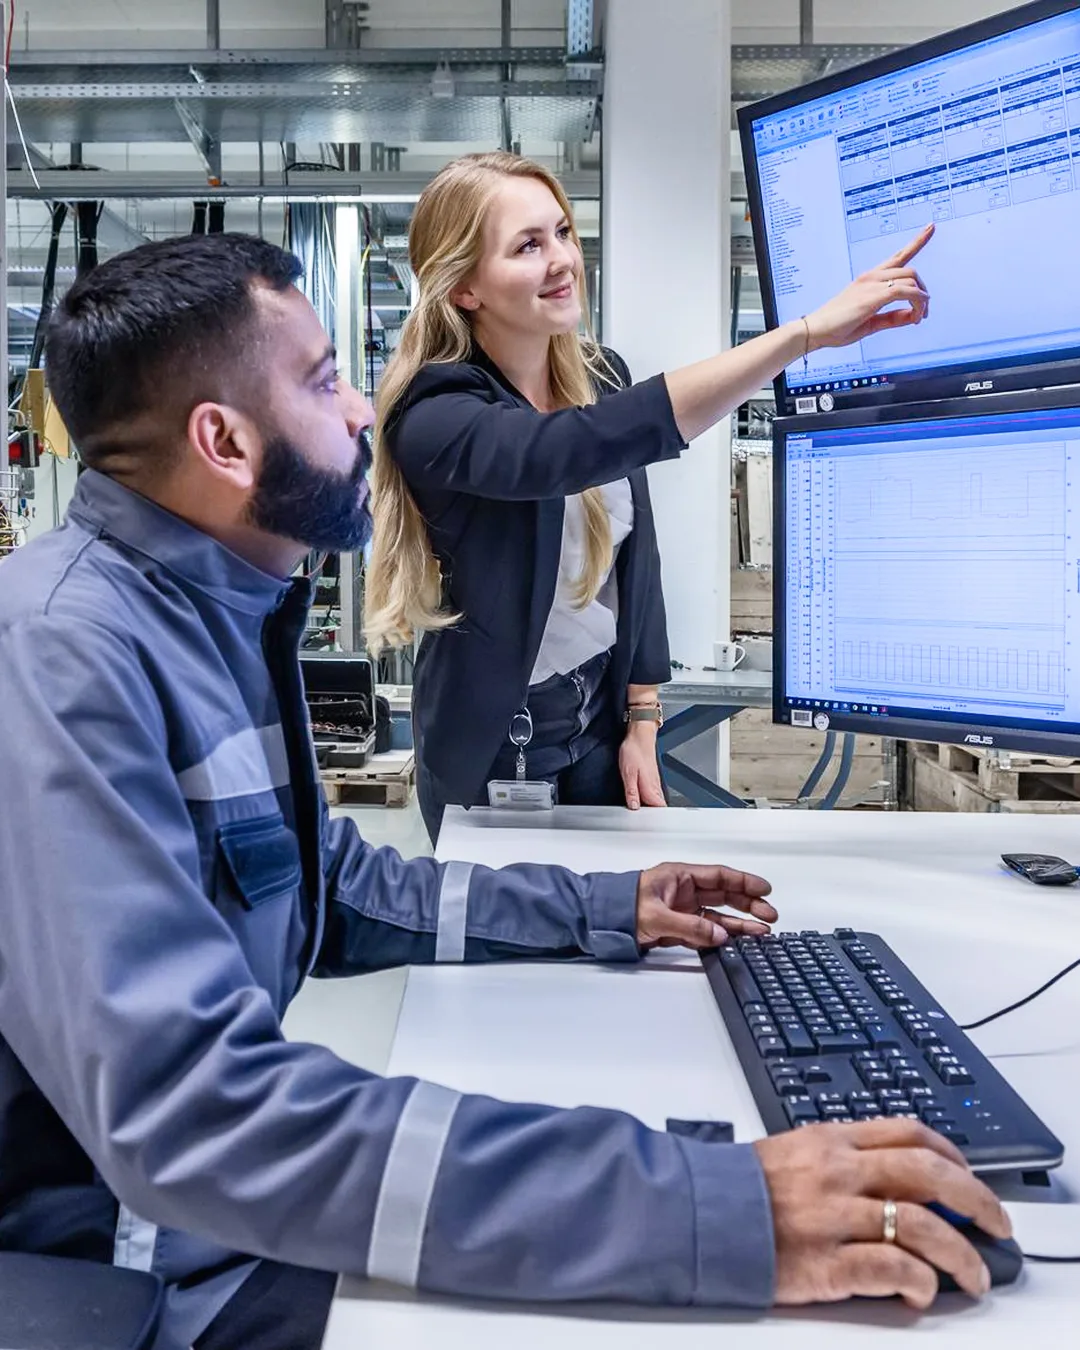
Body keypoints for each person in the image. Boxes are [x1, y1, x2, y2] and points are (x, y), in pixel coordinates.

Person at [0, 234, 1006, 1350]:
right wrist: (708, 1206)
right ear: (223, 440)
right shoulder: (63, 655)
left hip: (199, 1227)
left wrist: (600, 911)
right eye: (325, 380)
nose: (358, 417)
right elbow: (191, 1114)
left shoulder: (212, 609)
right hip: (135, 1271)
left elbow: (330, 887)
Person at [363, 152, 935, 843]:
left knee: (619, 924)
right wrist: (803, 335)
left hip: (599, 715)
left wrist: (641, 716)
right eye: (528, 245)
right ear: (465, 288)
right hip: (497, 741)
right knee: (518, 939)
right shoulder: (436, 413)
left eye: (563, 233)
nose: (561, 260)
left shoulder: (600, 375)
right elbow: (555, 454)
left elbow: (636, 562)